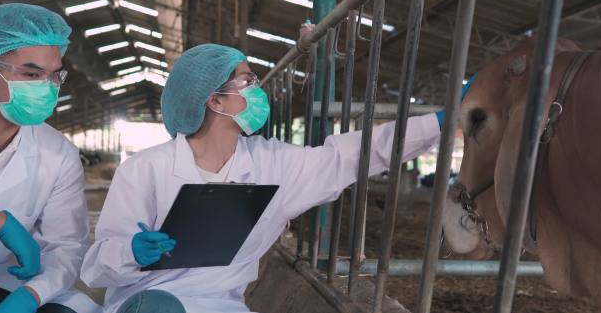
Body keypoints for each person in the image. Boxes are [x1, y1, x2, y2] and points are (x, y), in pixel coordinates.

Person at [81, 39, 472, 313]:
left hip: (223, 305)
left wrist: (439, 122)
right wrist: (130, 252)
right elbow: (96, 267)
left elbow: (351, 156)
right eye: (247, 81)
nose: (258, 89)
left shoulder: (273, 164)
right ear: (215, 101)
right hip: (148, 302)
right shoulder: (144, 169)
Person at [0, 3, 101, 313]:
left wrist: (32, 296)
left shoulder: (58, 152)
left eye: (54, 76)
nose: (47, 88)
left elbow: (66, 247)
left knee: (78, 309)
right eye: (32, 73)